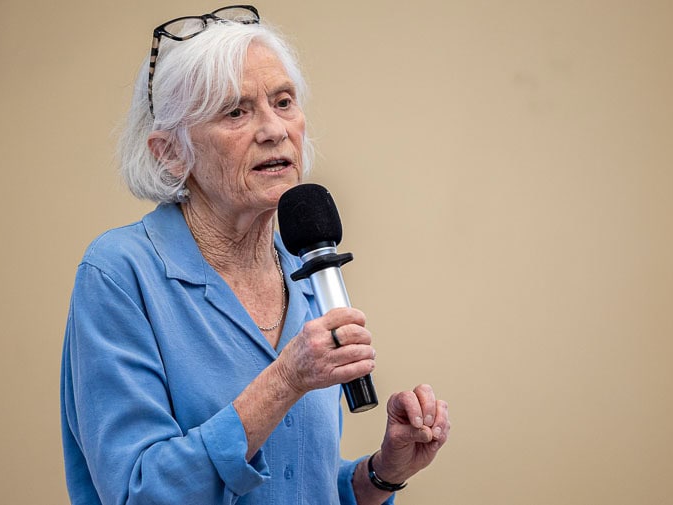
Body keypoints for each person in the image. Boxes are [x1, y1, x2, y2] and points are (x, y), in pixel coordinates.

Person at [60, 5, 450, 504]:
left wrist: (381, 474)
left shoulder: (306, 268)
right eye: (236, 112)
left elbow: (296, 484)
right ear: (170, 152)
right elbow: (140, 491)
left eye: (284, 102)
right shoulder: (120, 274)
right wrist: (284, 380)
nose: (274, 129)